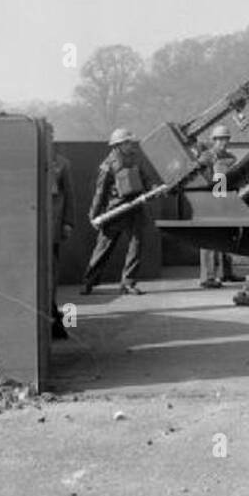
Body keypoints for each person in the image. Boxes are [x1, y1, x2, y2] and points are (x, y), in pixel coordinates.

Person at [81, 128, 160, 296]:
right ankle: (89, 281)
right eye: (127, 142)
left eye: (130, 142)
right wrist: (94, 215)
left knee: (136, 245)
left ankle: (128, 283)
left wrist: (153, 189)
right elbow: (100, 192)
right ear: (118, 145)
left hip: (135, 209)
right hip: (115, 211)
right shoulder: (108, 165)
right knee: (103, 248)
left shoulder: (137, 160)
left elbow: (147, 180)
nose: (131, 144)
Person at [197, 125, 237, 288]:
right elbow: (197, 177)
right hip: (210, 200)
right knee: (209, 238)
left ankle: (226, 273)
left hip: (225, 199)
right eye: (220, 139)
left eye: (226, 139)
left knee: (227, 237)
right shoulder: (206, 158)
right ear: (214, 140)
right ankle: (207, 277)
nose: (223, 142)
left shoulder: (230, 158)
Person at [46, 124, 75, 339]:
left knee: (52, 274)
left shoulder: (62, 164)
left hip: (53, 228)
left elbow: (70, 197)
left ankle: (57, 321)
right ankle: (54, 321)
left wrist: (68, 222)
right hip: (35, 231)